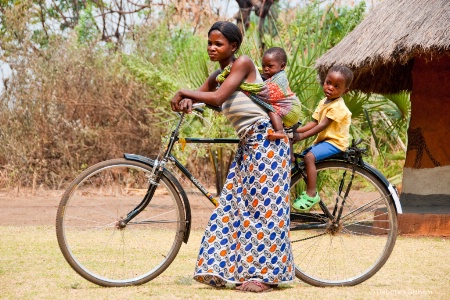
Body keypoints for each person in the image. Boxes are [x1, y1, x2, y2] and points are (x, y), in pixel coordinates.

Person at [170, 21, 295, 293]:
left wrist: (185, 92)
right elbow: (205, 96)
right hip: (247, 145)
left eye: (219, 43)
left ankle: (265, 277)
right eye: (209, 43)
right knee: (232, 207)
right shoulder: (219, 73)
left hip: (266, 141)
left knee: (264, 211)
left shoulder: (244, 64)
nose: (212, 48)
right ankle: (219, 270)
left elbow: (217, 97)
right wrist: (189, 101)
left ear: (234, 46)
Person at [292, 65, 353, 212]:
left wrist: (300, 136)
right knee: (302, 158)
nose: (330, 87)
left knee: (309, 158)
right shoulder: (324, 101)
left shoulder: (337, 106)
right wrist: (294, 131)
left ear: (345, 91)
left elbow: (321, 126)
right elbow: (314, 122)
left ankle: (311, 193)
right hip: (325, 141)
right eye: (328, 82)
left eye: (336, 86)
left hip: (335, 142)